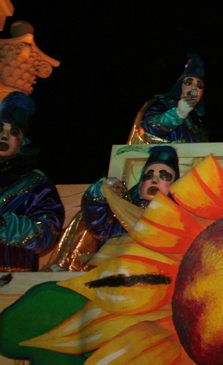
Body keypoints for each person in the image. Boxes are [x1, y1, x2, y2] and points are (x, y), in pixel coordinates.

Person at [49, 146, 180, 271]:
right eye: (148, 176)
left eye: (164, 176)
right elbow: (94, 213)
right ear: (140, 185)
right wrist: (103, 190)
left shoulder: (181, 218)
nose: (154, 180)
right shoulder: (118, 214)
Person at [0, 92, 64, 271]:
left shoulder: (35, 182)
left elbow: (47, 233)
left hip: (10, 277)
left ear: (22, 143)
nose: (4, 136)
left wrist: (5, 226)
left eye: (13, 132)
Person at [127, 54, 209, 144]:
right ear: (179, 86)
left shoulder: (198, 122)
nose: (194, 88)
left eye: (199, 85)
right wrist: (177, 113)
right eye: (188, 82)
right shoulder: (163, 103)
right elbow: (146, 128)